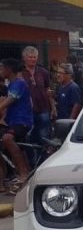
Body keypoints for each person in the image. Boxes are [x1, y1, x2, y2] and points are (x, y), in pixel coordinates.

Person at [0, 58, 33, 191]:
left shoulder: (19, 83)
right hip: (12, 121)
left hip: (22, 122)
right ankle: (4, 181)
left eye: (1, 68)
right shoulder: (11, 85)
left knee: (7, 139)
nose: (0, 71)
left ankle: (23, 173)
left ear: (9, 70)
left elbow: (7, 102)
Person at [20, 46, 53, 160]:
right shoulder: (19, 72)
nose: (32, 59)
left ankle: (42, 162)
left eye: (35, 57)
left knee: (43, 138)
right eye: (30, 57)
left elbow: (48, 90)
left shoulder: (43, 72)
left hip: (43, 109)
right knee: (28, 138)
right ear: (24, 58)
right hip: (27, 112)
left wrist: (53, 107)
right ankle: (31, 162)